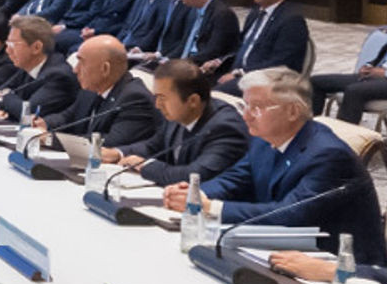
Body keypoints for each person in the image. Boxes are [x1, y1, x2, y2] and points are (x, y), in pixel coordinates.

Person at [160, 69, 387, 266]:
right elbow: (236, 178)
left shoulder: (329, 155)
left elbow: (290, 214)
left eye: (257, 108)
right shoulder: (264, 140)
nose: (246, 116)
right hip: (281, 249)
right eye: (246, 106)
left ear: (292, 111)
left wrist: (213, 207)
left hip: (339, 266)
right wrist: (196, 194)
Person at [99, 60, 249, 187]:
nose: (157, 105)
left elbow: (194, 176)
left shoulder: (225, 127)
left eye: (162, 98)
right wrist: (117, 153)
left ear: (193, 101)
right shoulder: (179, 114)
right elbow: (152, 146)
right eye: (156, 97)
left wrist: (145, 165)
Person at [38, 36, 160, 147]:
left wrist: (51, 140)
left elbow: (109, 142)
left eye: (82, 62)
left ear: (105, 69)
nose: (75, 70)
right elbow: (67, 116)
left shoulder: (135, 98)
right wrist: (45, 123)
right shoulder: (92, 88)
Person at [217, 0, 310, 94]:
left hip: (268, 79)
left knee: (214, 94)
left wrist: (240, 73)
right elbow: (242, 46)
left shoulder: (291, 20)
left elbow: (282, 62)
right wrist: (219, 60)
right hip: (238, 72)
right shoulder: (255, 13)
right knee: (196, 80)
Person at [0, 14, 78, 121]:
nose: (7, 50)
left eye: (13, 45)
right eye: (7, 44)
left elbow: (28, 112)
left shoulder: (59, 76)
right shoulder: (27, 66)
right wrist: (7, 102)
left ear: (36, 47)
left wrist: (5, 99)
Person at [165, 0, 241, 71]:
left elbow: (213, 50)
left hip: (205, 66)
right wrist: (167, 59)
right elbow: (185, 43)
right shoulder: (193, 10)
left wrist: (184, 63)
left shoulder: (222, 14)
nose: (183, 2)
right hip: (187, 62)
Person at [312, 32, 387, 123]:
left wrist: (384, 73)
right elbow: (380, 58)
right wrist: (368, 66)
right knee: (316, 82)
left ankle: (344, 131)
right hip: (374, 77)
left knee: (354, 91)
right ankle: (308, 128)